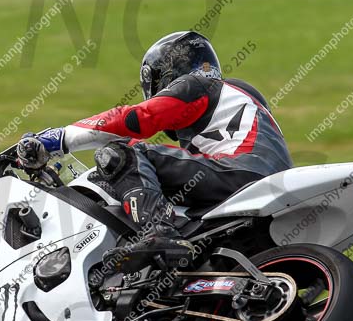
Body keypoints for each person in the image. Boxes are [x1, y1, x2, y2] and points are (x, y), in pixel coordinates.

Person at [16, 31, 292, 275]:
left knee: (119, 154)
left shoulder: (198, 85)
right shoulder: (238, 99)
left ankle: (158, 231)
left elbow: (137, 119)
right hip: (260, 186)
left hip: (239, 173)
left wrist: (59, 138)